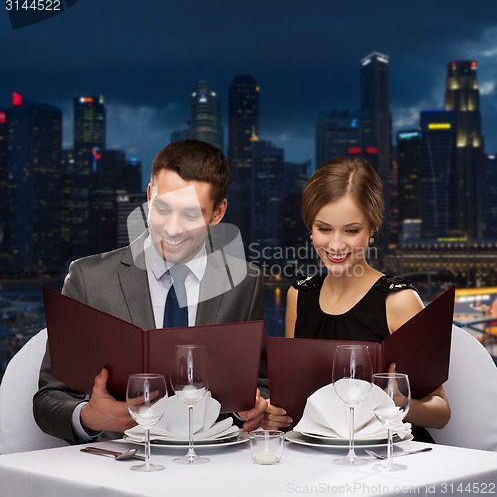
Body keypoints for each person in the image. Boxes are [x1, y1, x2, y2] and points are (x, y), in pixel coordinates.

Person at [33, 139, 267, 444]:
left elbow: (260, 385)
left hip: (211, 465)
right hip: (119, 469)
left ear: (218, 212)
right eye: (162, 208)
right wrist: (88, 417)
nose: (171, 228)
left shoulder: (243, 283)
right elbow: (48, 398)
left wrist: (253, 409)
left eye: (190, 214)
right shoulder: (88, 279)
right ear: (148, 195)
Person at [263, 156, 451, 441]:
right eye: (324, 229)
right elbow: (295, 400)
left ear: (372, 229)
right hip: (318, 457)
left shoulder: (398, 300)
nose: (336, 245)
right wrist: (276, 413)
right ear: (310, 229)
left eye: (351, 230)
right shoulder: (298, 296)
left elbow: (441, 413)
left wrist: (399, 403)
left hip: (388, 458)